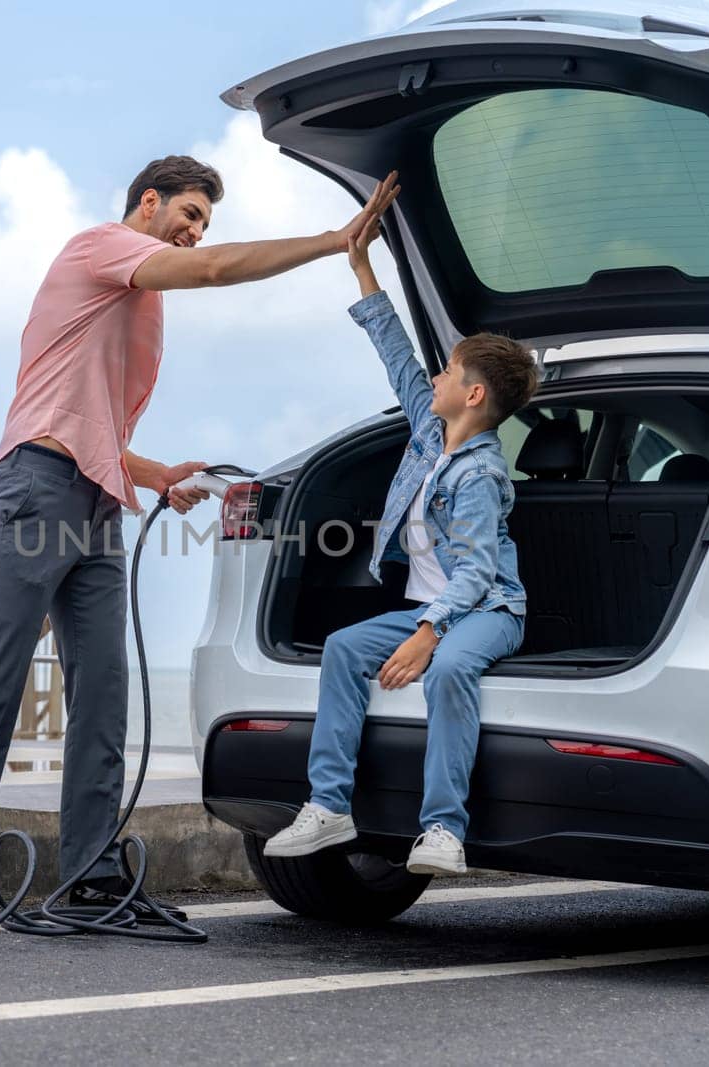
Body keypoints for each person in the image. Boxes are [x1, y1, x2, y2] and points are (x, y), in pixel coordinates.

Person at [0, 158, 402, 925]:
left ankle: (93, 875)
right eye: (189, 212)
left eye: (205, 220)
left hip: (97, 501)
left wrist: (156, 472)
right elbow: (209, 272)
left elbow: (93, 427)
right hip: (34, 490)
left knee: (104, 696)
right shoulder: (100, 248)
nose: (197, 230)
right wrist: (333, 240)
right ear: (148, 202)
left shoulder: (137, 298)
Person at [263, 198, 539, 876]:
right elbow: (397, 357)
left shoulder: (476, 476)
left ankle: (443, 828)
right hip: (432, 611)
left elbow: (476, 576)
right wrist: (362, 267)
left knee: (447, 668)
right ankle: (328, 806)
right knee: (343, 648)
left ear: (474, 396)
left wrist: (429, 633)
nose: (436, 378)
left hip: (489, 611)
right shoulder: (429, 433)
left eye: (449, 371)